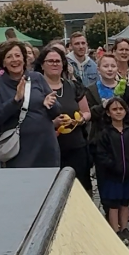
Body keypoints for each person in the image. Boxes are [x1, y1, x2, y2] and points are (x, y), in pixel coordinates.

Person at [0, 40, 61, 169]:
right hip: (19, 148)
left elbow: (56, 111)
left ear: (24, 59)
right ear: (3, 62)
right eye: (9, 57)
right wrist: (16, 100)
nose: (14, 60)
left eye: (18, 55)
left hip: (45, 143)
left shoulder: (37, 78)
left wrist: (50, 104)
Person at [38, 44, 92, 193]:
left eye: (58, 61)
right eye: (50, 61)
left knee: (80, 188)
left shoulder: (73, 86)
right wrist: (52, 124)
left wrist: (80, 120)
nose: (55, 64)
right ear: (42, 65)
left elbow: (87, 113)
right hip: (49, 149)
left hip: (76, 147)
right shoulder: (36, 88)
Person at [90, 95, 129, 242]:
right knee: (113, 204)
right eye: (114, 109)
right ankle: (115, 230)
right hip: (112, 175)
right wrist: (112, 166)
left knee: (125, 202)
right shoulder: (105, 133)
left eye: (121, 109)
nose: (118, 112)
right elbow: (101, 154)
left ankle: (125, 229)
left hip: (127, 174)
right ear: (108, 113)